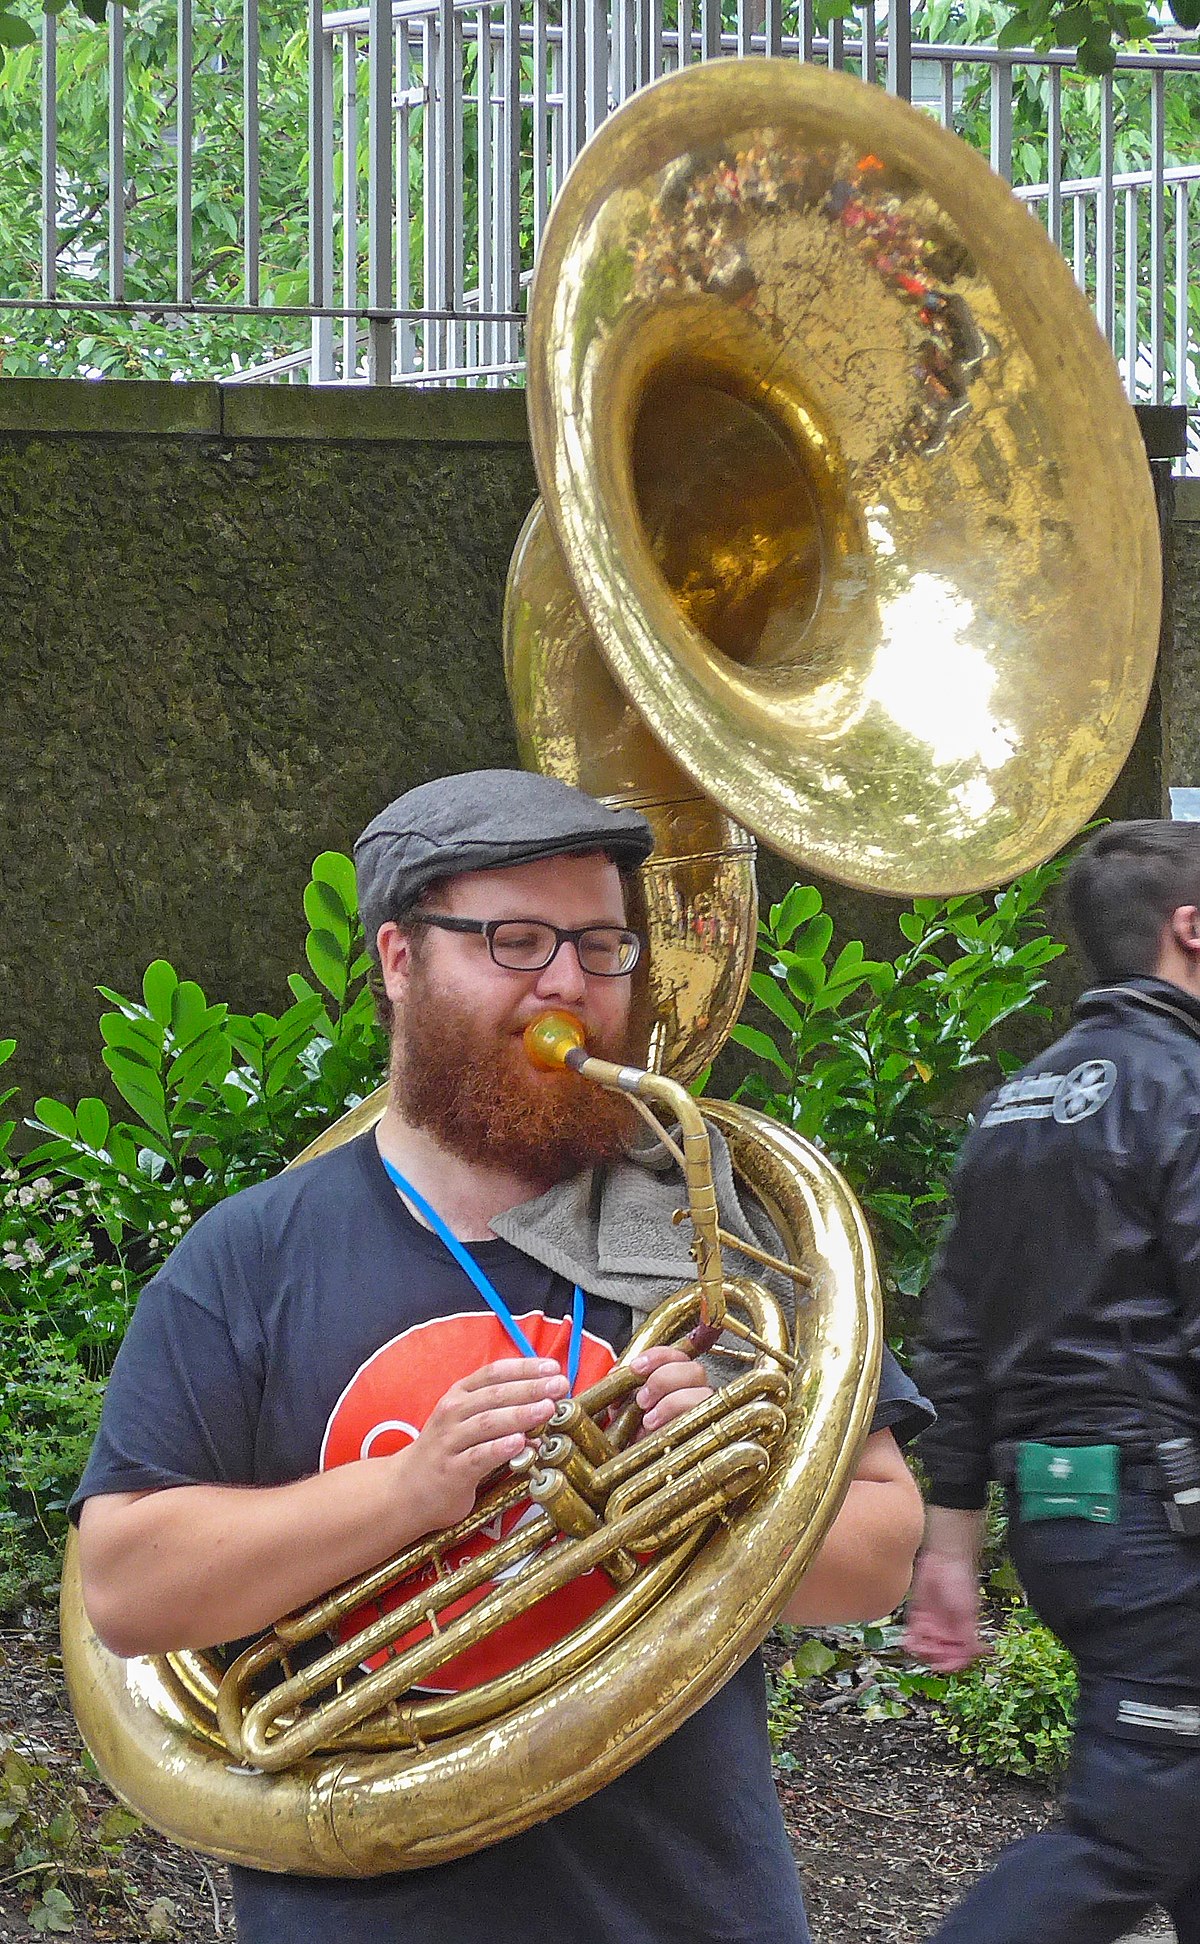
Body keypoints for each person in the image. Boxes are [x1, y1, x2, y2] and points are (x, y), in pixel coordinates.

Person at [73, 769, 927, 1944]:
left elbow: (881, 1556)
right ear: (398, 961)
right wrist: (406, 1490)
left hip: (686, 1909)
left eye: (604, 945)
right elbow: (126, 1588)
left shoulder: (710, 1230)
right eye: (515, 940)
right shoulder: (252, 1257)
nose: (568, 982)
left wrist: (724, 1492)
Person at [905, 819, 1200, 1944]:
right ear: (1191, 929)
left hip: (1067, 1518)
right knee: (1132, 1831)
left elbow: (960, 1346)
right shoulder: (1184, 1085)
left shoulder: (1015, 1107)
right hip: (1165, 1525)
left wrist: (949, 1551)